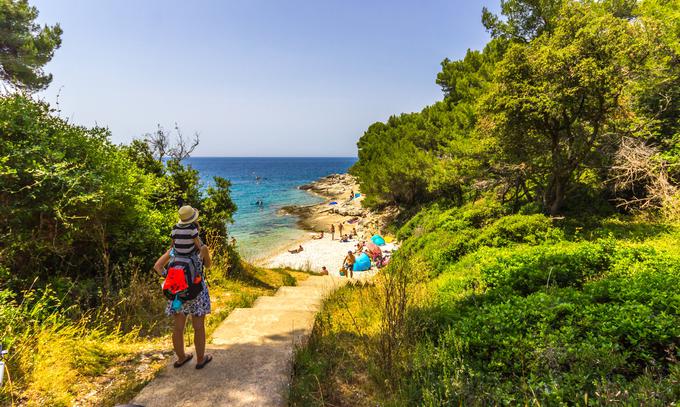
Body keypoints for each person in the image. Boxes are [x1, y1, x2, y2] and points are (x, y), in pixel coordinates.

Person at [154, 218, 213, 370]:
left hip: (177, 293)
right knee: (198, 327)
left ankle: (181, 358)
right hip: (197, 293)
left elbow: (158, 266)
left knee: (178, 327)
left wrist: (170, 277)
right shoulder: (201, 249)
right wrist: (204, 253)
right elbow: (208, 265)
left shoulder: (173, 252)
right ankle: (200, 359)